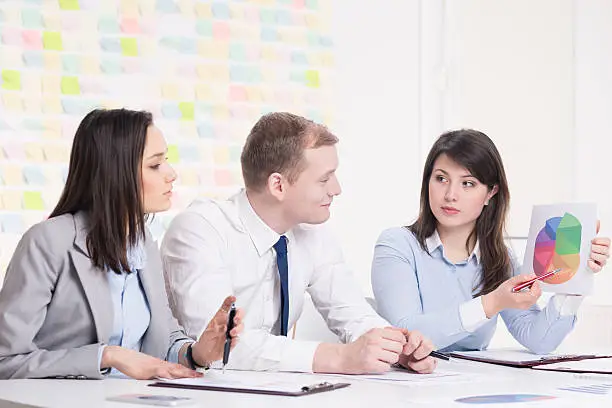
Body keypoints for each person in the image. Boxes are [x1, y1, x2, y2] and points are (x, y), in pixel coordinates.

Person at [161, 112, 436, 374]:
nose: (336, 189)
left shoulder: (311, 231)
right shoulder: (200, 229)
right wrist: (339, 357)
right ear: (278, 185)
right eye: (324, 179)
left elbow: (352, 313)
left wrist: (394, 346)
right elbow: (217, 346)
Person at [0, 109, 243, 380]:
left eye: (167, 161)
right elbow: (6, 361)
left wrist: (196, 353)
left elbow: (160, 343)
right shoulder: (48, 242)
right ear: (116, 173)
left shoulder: (144, 243)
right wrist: (107, 355)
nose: (171, 174)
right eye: (155, 165)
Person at [371, 129, 610, 354]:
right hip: (407, 388)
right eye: (441, 178)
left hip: (473, 386)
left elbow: (539, 339)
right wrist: (491, 303)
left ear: (491, 193)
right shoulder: (397, 245)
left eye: (468, 183)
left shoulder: (499, 257)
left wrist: (576, 279)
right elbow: (405, 335)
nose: (450, 195)